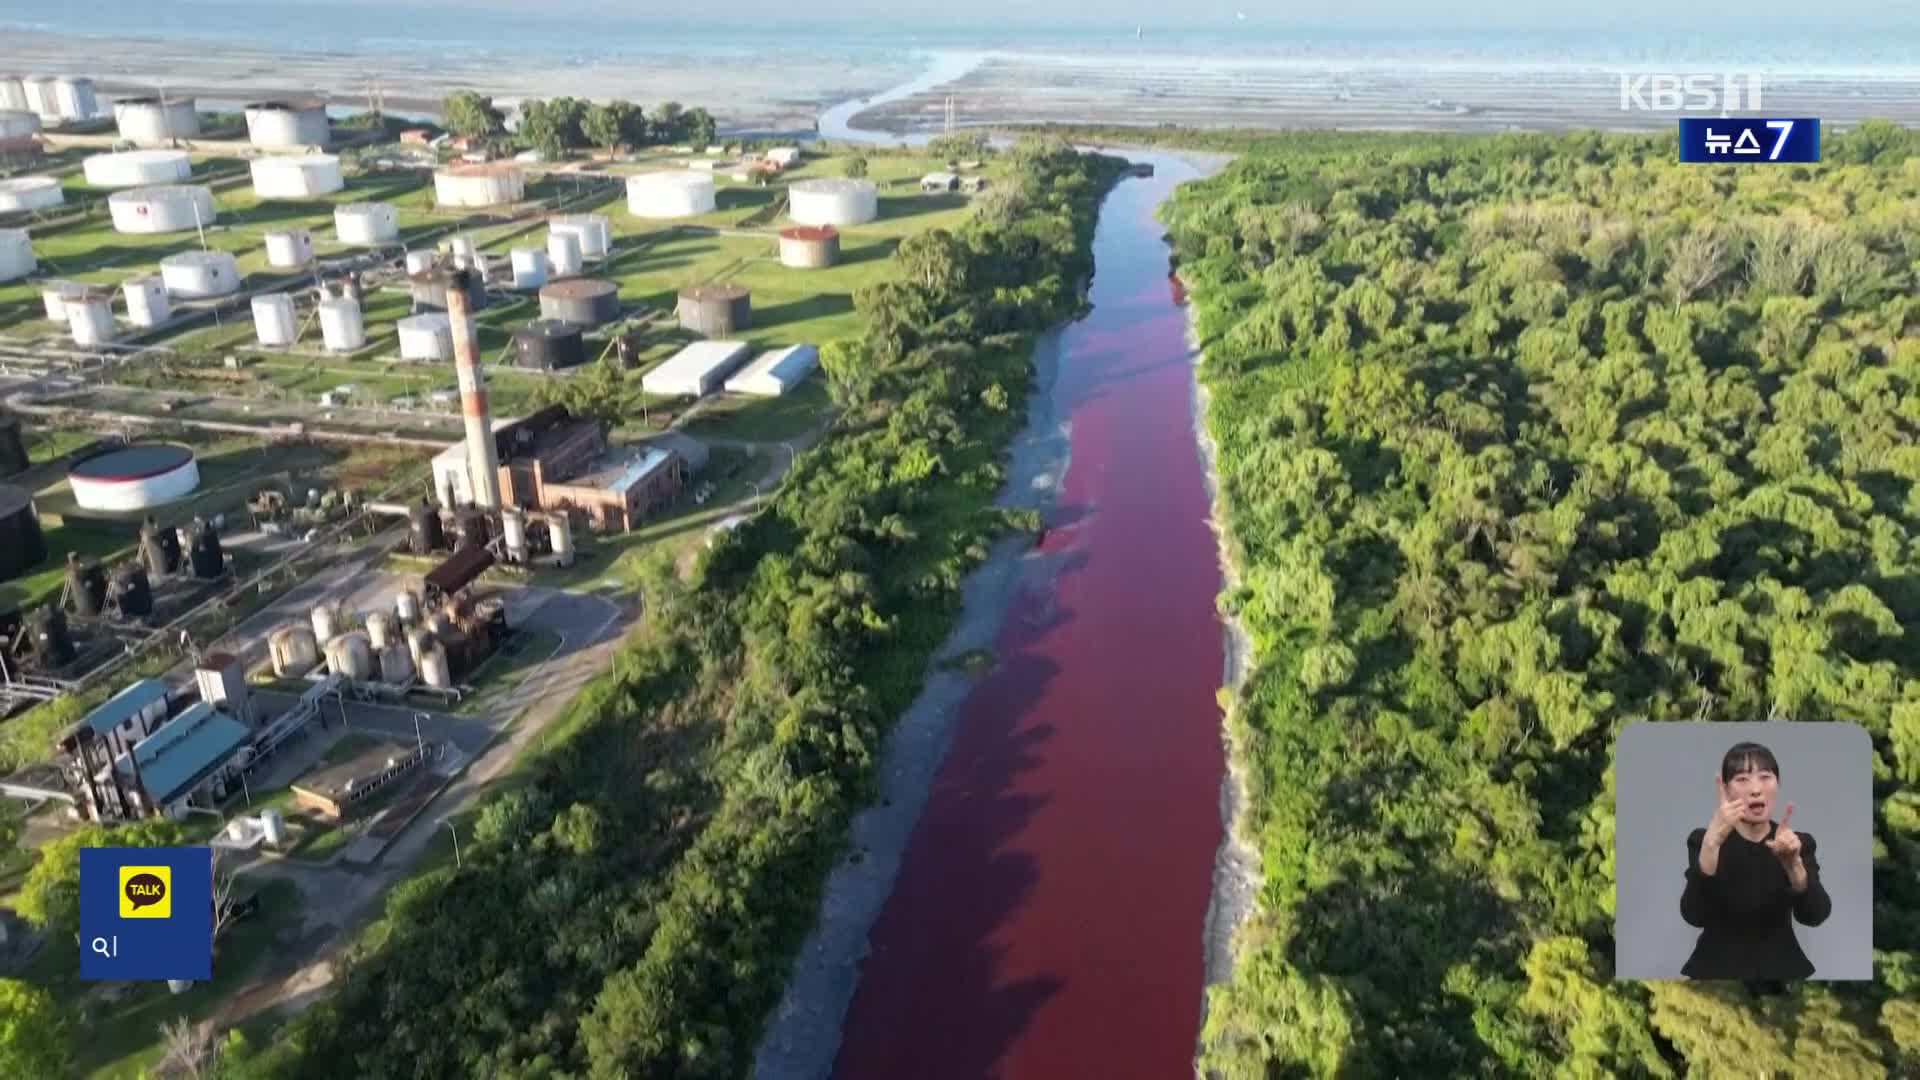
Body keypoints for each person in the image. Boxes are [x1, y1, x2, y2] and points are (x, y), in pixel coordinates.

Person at [1680, 741, 1831, 982]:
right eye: (1742, 779)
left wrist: (1794, 867)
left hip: (1783, 973)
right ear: (1726, 788)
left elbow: (1815, 916)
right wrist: (1711, 845)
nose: (1755, 789)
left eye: (1765, 777)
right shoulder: (1703, 840)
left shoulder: (1797, 843)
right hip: (1715, 975)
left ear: (1777, 785)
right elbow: (1694, 915)